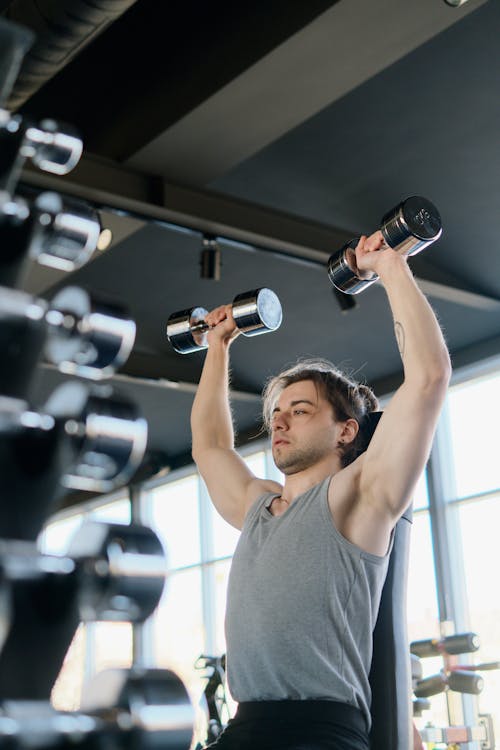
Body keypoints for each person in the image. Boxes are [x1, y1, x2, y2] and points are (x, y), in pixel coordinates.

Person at [191, 231, 451, 750]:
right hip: (245, 730)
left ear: (346, 431)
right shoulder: (258, 506)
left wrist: (391, 267)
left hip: (318, 735)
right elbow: (211, 447)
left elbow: (427, 380)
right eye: (277, 414)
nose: (280, 423)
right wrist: (217, 348)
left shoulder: (360, 497)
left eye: (301, 411)